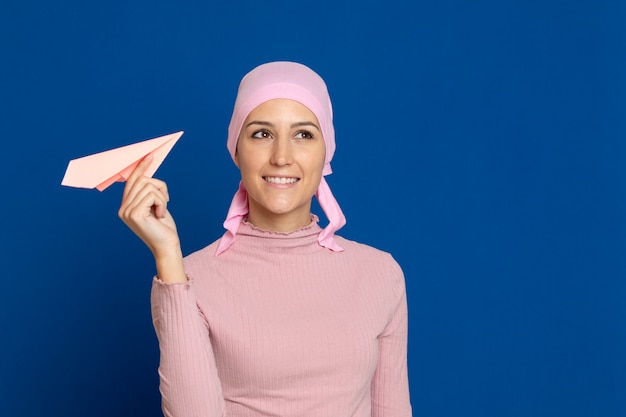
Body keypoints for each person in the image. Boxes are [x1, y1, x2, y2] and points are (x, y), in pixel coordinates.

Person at [119, 61, 412, 417]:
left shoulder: (379, 273)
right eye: (262, 134)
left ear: (327, 151)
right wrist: (168, 257)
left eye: (303, 134)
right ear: (236, 150)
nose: (282, 157)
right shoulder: (188, 277)